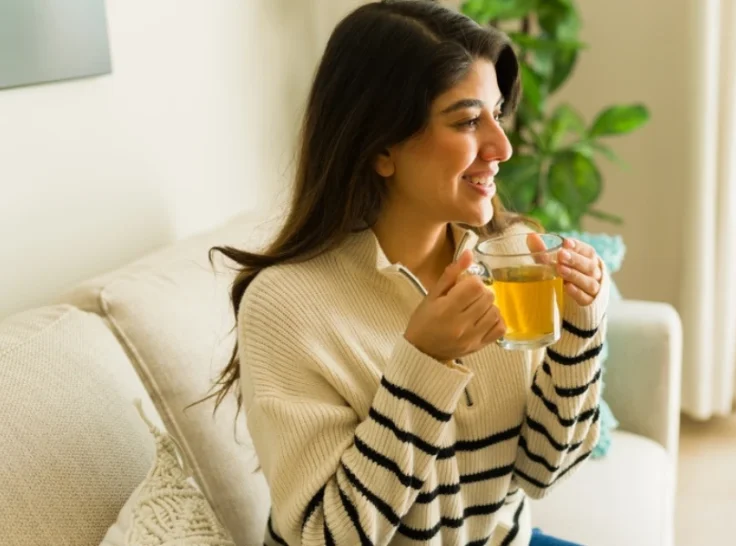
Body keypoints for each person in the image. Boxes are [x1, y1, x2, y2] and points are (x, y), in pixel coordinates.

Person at [206, 1, 608, 544]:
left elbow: (541, 472)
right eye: (467, 121)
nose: (503, 147)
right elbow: (326, 537)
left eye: (497, 114)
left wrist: (582, 325)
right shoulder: (286, 306)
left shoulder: (512, 258)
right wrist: (421, 363)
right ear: (381, 148)